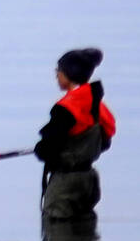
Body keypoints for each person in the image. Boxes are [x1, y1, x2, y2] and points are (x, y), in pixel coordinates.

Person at [35, 47, 115, 222]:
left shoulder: (66, 108)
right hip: (89, 181)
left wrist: (40, 149)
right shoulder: (96, 105)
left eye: (59, 71)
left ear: (68, 74)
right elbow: (106, 141)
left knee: (59, 230)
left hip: (65, 184)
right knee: (84, 232)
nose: (56, 75)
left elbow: (47, 148)